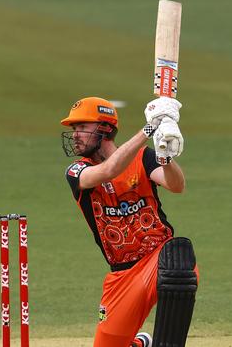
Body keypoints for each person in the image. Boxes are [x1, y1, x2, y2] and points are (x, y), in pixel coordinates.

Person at [60, 97, 198, 347]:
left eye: (82, 127)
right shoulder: (77, 170)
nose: (76, 135)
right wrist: (149, 128)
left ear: (104, 129)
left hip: (158, 259)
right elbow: (108, 171)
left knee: (178, 263)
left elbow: (177, 186)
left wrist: (166, 157)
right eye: (74, 129)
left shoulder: (143, 159)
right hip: (122, 275)